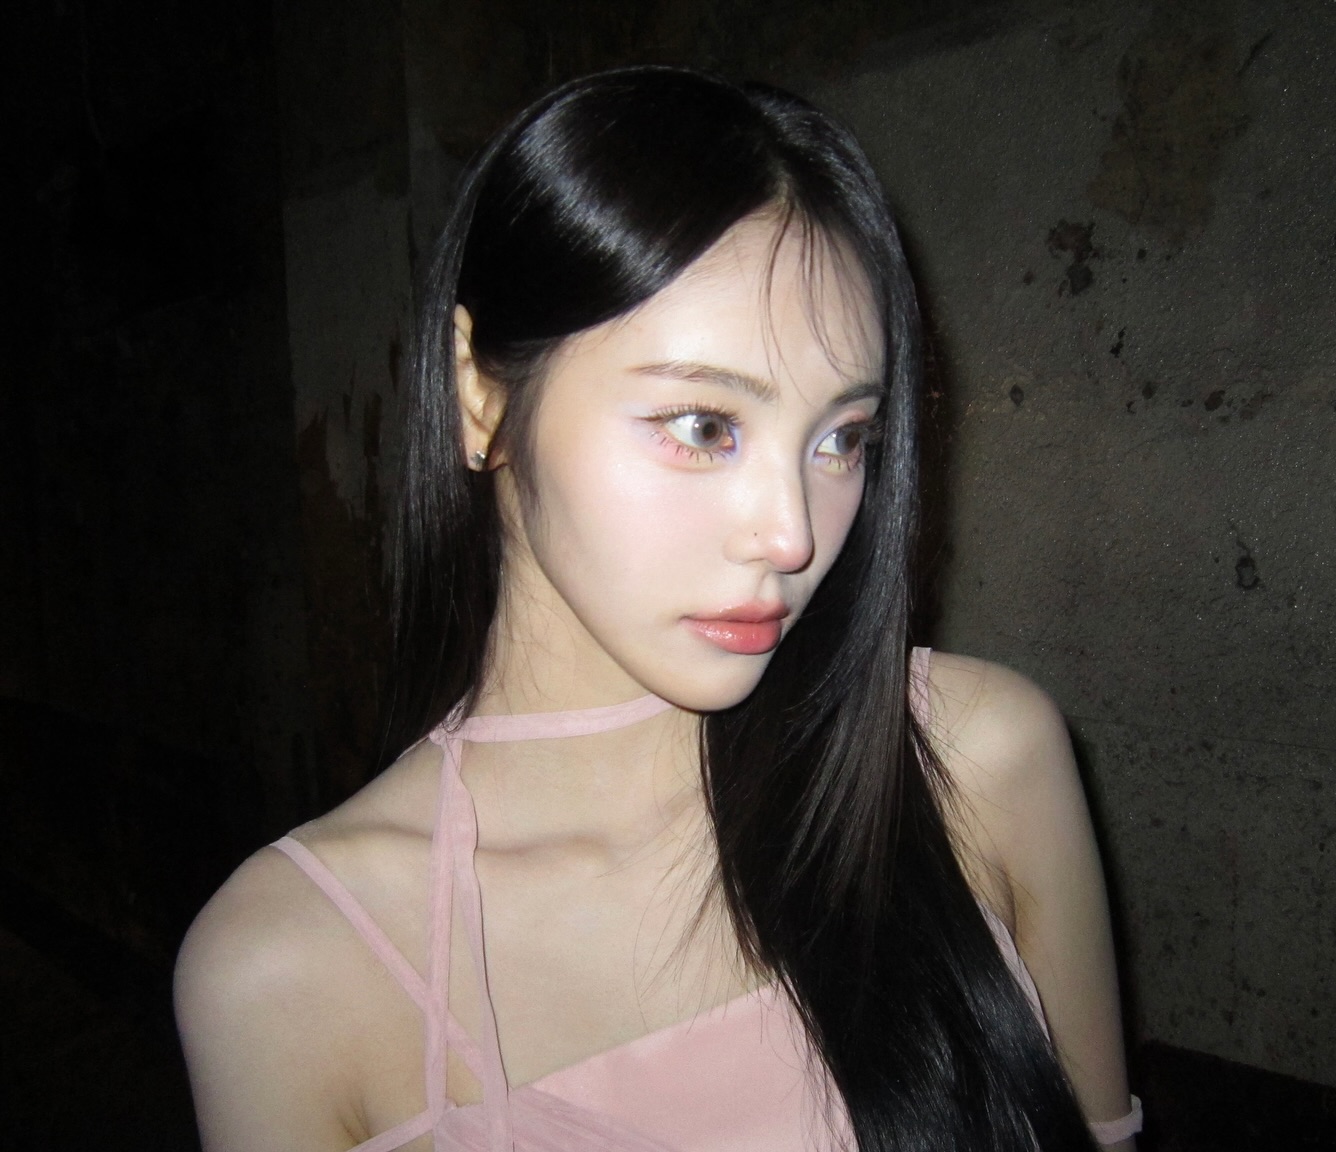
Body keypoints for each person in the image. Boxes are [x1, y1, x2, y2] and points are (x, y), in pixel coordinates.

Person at [174, 67, 1142, 1152]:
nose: (792, 535)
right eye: (703, 426)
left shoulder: (981, 763)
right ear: (479, 393)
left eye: (841, 439)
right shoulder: (295, 968)